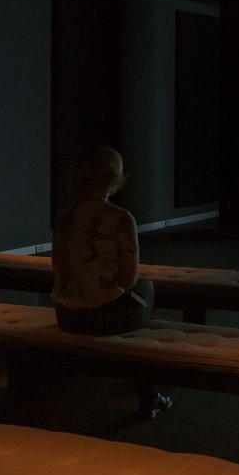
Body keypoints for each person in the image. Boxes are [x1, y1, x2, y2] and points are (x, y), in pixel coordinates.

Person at [50, 145, 171, 419]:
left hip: (66, 315)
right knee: (146, 287)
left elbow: (59, 268)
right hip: (105, 316)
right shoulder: (121, 219)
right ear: (112, 178)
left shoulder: (64, 216)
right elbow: (129, 280)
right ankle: (149, 395)